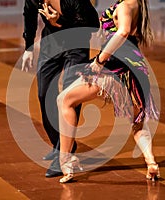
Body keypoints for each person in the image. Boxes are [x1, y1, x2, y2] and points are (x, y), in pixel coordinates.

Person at [56, 0, 160, 183]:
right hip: (136, 68)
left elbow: (123, 31)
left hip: (116, 68)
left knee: (64, 100)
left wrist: (100, 60)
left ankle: (65, 161)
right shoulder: (136, 4)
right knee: (137, 121)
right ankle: (151, 162)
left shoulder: (125, 6)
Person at [21, 0, 100, 178]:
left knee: (69, 97)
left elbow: (93, 25)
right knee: (43, 94)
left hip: (76, 44)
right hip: (51, 43)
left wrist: (60, 21)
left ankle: (63, 154)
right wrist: (28, 47)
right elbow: (29, 14)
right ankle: (59, 143)